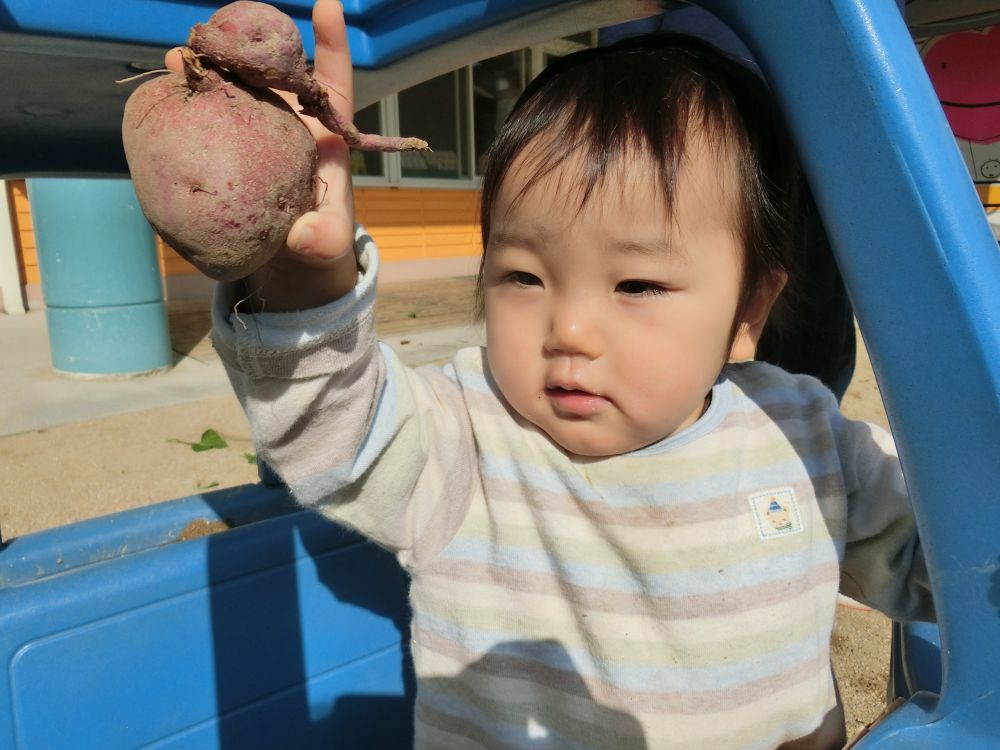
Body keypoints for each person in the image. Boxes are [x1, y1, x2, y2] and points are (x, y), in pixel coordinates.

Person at [205, 1, 933, 747]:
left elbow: (944, 563)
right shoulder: (467, 436)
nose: (570, 331)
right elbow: (340, 434)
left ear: (750, 309)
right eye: (524, 276)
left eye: (638, 285)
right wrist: (301, 282)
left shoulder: (806, 438)